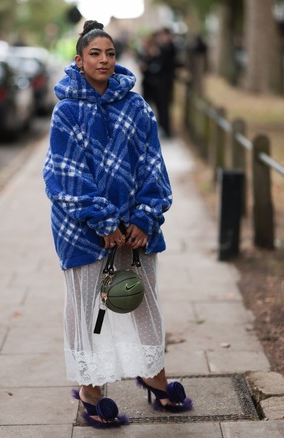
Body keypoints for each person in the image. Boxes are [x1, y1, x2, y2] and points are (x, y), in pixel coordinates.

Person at [43, 20, 191, 428]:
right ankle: (91, 391)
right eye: (95, 53)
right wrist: (104, 221)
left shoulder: (136, 106)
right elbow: (66, 175)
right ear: (79, 60)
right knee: (89, 308)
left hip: (137, 230)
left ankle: (154, 375)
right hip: (82, 229)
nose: (104, 60)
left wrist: (144, 217)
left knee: (143, 301)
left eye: (109, 53)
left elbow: (153, 166)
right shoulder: (66, 111)